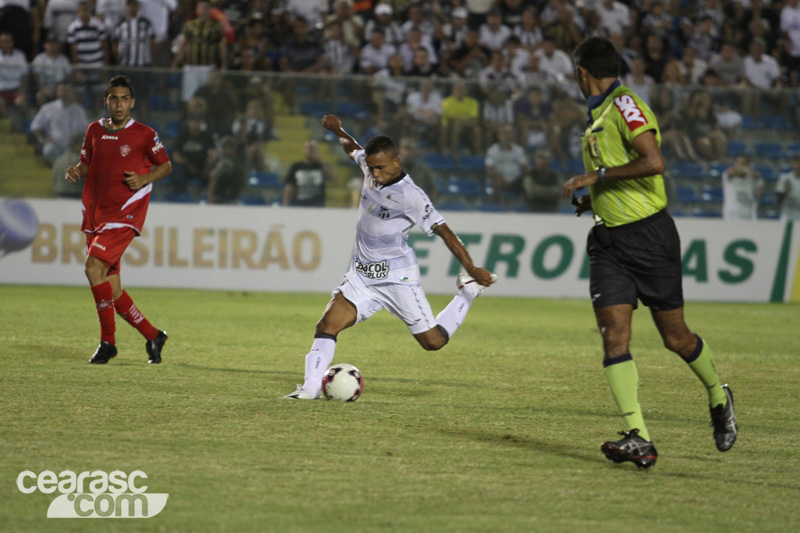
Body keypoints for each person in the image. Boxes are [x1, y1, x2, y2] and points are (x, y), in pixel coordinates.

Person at [562, 37, 738, 469]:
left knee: (675, 338)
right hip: (609, 243)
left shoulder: (625, 105)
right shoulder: (598, 114)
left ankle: (718, 395)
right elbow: (623, 173)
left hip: (650, 237)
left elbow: (654, 162)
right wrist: (595, 198)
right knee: (614, 335)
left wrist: (596, 177)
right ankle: (638, 436)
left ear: (582, 71)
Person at [283, 115, 497, 400]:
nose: (375, 174)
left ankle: (467, 292)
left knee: (433, 342)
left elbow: (445, 232)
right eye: (371, 168)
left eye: (381, 168)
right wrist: (337, 129)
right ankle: (310, 389)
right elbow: (352, 147)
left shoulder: (411, 196)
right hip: (362, 276)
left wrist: (471, 267)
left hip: (397, 279)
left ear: (397, 161)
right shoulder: (369, 167)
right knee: (326, 325)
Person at [65, 74, 171, 364]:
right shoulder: (94, 130)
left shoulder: (144, 134)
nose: (119, 104)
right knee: (110, 287)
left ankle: (108, 343)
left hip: (124, 214)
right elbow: (86, 163)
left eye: (125, 99)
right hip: (96, 214)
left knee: (92, 268)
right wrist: (76, 170)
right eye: (114, 98)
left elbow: (166, 166)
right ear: (106, 101)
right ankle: (153, 335)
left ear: (132, 102)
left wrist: (144, 178)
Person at [282, 139, 334, 207]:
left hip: (317, 206)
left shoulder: (321, 167)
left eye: (312, 148)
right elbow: (289, 187)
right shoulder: (296, 167)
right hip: (299, 205)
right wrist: (285, 204)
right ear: (304, 150)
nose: (310, 151)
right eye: (308, 148)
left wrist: (320, 162)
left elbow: (331, 178)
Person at [722, 154, 763, 220]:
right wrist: (747, 171)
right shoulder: (729, 175)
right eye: (738, 163)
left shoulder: (753, 177)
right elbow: (731, 172)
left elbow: (759, 192)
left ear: (748, 164)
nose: (740, 165)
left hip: (748, 211)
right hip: (732, 212)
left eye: (743, 163)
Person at [207, 135, 245, 204]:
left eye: (230, 147)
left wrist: (210, 197)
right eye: (224, 147)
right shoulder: (234, 161)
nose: (227, 150)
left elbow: (213, 178)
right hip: (228, 198)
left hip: (225, 198)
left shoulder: (226, 162)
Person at [776, 155, 800, 220]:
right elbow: (779, 202)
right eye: (796, 163)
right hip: (787, 216)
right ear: (793, 163)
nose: (798, 166)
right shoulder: (784, 179)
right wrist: (784, 191)